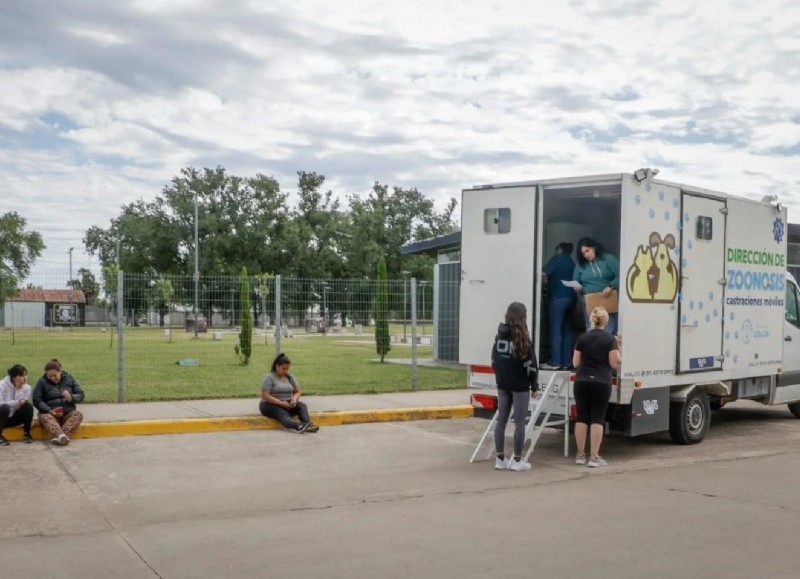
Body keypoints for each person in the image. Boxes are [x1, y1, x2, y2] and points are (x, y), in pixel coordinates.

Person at [491, 302, 539, 472]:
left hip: (502, 384)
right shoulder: (523, 339)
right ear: (522, 317)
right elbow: (531, 365)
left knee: (501, 421)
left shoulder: (499, 337)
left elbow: (494, 360)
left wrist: (500, 377)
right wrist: (534, 384)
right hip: (519, 386)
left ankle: (500, 459)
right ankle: (517, 460)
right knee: (520, 423)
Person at [572, 307, 621, 468]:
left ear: (591, 320)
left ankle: (580, 455)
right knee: (597, 419)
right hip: (601, 382)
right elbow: (615, 363)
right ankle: (594, 457)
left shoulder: (582, 338)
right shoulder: (610, 339)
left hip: (582, 381)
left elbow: (575, 363)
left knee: (582, 418)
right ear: (606, 322)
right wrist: (619, 347)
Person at [260, 353, 319, 433]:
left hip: (286, 403)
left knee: (301, 406)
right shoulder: (269, 377)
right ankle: (298, 426)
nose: (286, 371)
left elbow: (297, 392)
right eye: (283, 369)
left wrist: (294, 400)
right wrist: (281, 403)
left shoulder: (290, 377)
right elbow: (265, 395)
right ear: (277, 366)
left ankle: (307, 424)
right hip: (269, 405)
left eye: (287, 369)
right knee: (282, 413)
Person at [572, 237, 620, 335]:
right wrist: (577, 288)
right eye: (583, 254)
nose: (586, 255)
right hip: (589, 302)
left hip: (607, 300)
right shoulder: (580, 265)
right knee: (591, 331)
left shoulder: (608, 259)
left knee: (608, 331)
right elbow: (575, 281)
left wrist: (611, 286)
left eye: (587, 251)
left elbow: (621, 277)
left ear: (593, 247)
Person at [541, 242, 577, 370]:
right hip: (571, 298)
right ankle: (566, 362)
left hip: (558, 298)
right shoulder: (571, 262)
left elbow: (544, 274)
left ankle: (555, 362)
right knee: (566, 330)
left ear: (560, 249)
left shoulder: (557, 259)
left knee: (555, 329)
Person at [32, 359, 85, 446]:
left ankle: (60, 437)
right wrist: (49, 410)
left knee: (78, 415)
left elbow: (81, 395)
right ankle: (61, 436)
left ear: (60, 371)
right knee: (45, 417)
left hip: (67, 412)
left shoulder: (69, 378)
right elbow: (37, 400)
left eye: (54, 375)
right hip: (50, 413)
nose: (52, 378)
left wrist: (71, 397)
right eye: (49, 376)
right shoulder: (42, 382)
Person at [0, 364, 34, 445]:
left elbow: (23, 402)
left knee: (28, 407)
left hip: (13, 418)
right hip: (1, 417)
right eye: (22, 375)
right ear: (14, 377)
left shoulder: (27, 388)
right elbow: (0, 403)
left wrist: (19, 388)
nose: (25, 377)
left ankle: (27, 434)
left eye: (26, 375)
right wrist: (17, 402)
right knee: (4, 408)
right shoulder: (1, 385)